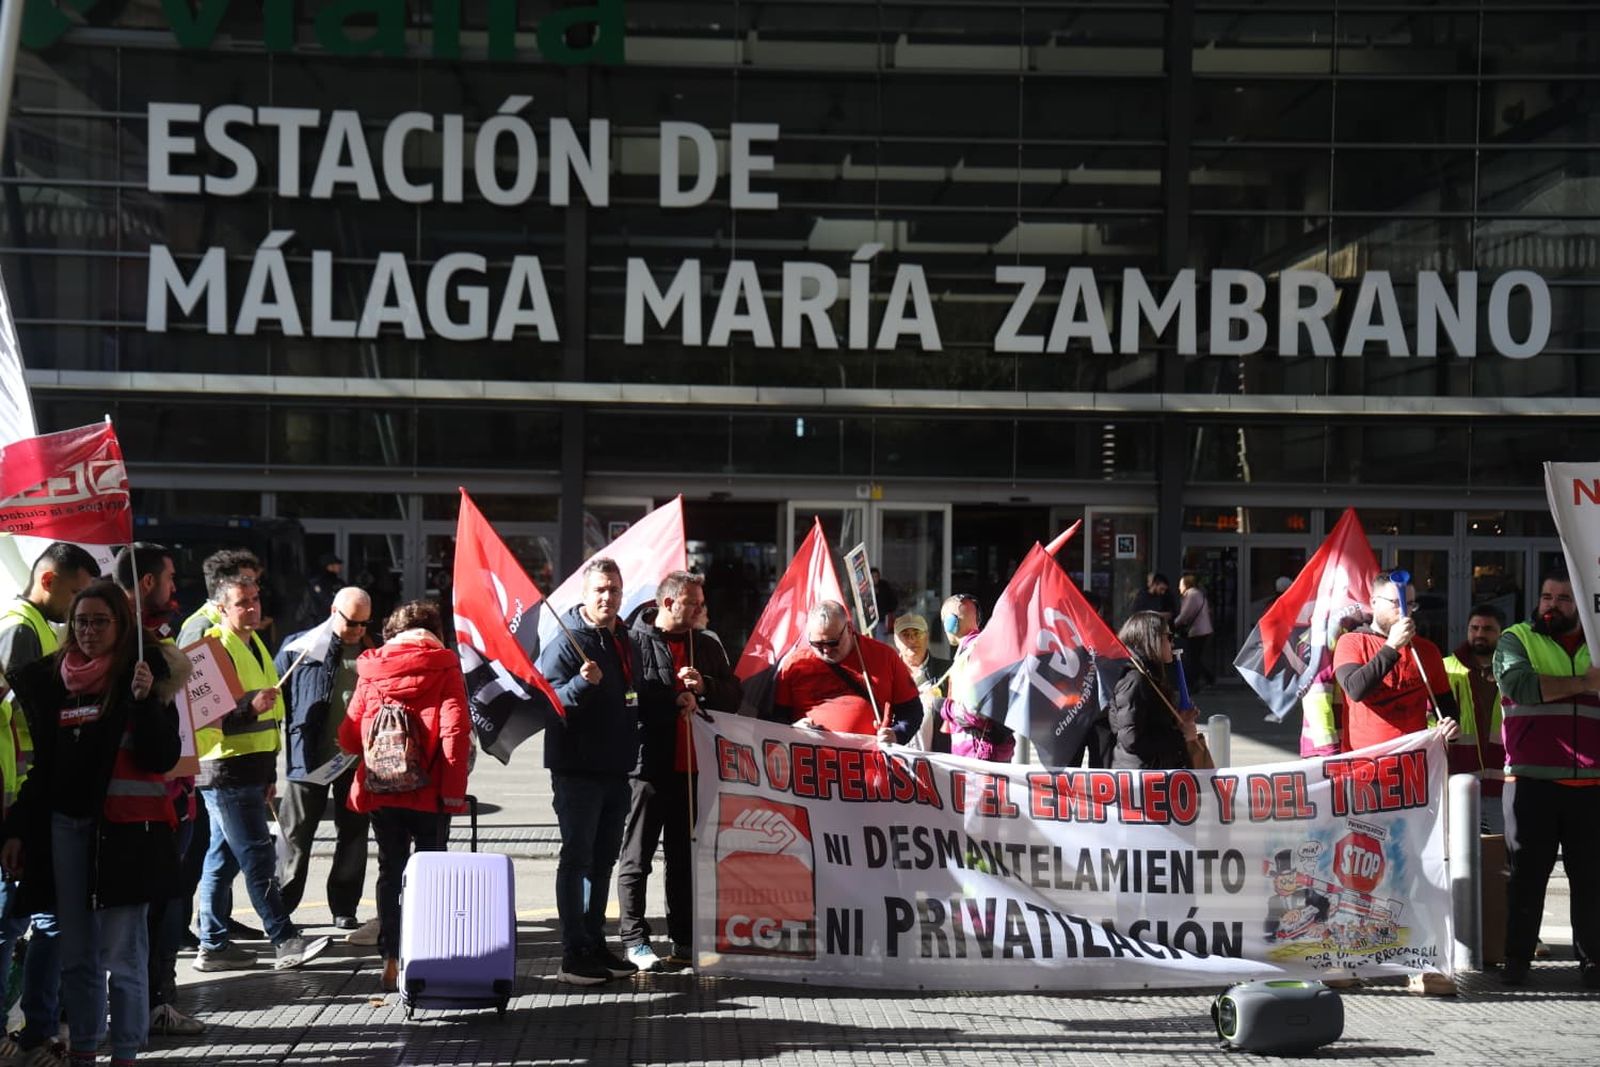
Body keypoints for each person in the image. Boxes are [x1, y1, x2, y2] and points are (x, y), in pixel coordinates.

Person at [1, 579, 185, 1067]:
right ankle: (83, 1050)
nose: (87, 631)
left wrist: (145, 702)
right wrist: (18, 829)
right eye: (80, 621)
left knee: (122, 958)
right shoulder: (53, 682)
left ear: (121, 627)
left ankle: (124, 1053)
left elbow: (162, 756)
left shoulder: (144, 675)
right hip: (66, 831)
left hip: (127, 835)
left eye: (99, 621)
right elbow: (44, 767)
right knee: (78, 957)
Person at [193, 574, 329, 972]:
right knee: (256, 857)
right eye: (242, 602)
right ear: (221, 608)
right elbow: (206, 714)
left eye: (255, 599)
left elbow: (268, 719)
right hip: (225, 770)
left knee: (223, 859)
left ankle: (213, 945)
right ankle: (284, 939)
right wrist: (247, 708)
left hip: (248, 770)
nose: (252, 608)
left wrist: (270, 772)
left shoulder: (255, 646)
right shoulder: (215, 648)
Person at [336, 599, 471, 994]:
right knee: (430, 877)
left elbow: (348, 734)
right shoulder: (444, 667)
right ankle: (425, 956)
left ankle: (390, 957)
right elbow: (455, 735)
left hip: (383, 791)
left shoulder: (373, 668)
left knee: (390, 872)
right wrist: (452, 795)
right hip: (429, 796)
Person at [0, 542, 98, 1066]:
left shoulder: (37, 627)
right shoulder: (21, 627)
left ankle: (37, 1027)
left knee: (40, 920)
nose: (79, 608)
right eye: (77, 591)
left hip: (29, 791)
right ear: (49, 579)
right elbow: (22, 717)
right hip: (19, 796)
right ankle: (24, 1029)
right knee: (14, 921)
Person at [617, 572, 740, 973]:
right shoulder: (633, 642)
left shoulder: (704, 644)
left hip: (693, 766)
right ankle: (635, 939)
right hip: (648, 765)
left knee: (684, 857)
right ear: (668, 604)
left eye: (700, 602)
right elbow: (628, 697)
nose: (700, 610)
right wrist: (674, 697)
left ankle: (684, 939)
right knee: (637, 856)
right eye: (693, 603)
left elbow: (733, 695)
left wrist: (703, 685)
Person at [112, 544, 207, 1039]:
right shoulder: (132, 644)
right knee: (147, 915)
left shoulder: (162, 633)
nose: (175, 587)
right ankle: (144, 1010)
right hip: (148, 802)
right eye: (169, 578)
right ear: (146, 582)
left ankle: (158, 1002)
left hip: (178, 796)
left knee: (168, 908)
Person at [534, 558, 642, 986]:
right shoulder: (565, 642)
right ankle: (573, 949)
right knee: (577, 859)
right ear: (584, 594)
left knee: (602, 861)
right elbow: (549, 704)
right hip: (577, 770)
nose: (607, 597)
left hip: (616, 769)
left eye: (614, 590)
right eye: (600, 590)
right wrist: (581, 684)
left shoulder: (623, 639)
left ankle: (595, 941)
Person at [1492, 566, 1600, 988]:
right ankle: (1516, 961)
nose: (1552, 606)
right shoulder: (1516, 638)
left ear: (1580, 605)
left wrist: (1565, 685)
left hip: (1592, 784)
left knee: (1591, 882)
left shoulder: (1595, 641)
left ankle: (1592, 963)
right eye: (1547, 597)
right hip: (1531, 782)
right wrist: (1584, 683)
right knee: (1527, 879)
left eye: (1563, 599)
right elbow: (1520, 685)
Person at [275, 587, 377, 943]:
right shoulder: (301, 646)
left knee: (353, 836)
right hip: (309, 760)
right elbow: (275, 698)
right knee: (295, 836)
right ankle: (281, 910)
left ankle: (344, 908)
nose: (357, 630)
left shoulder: (371, 649)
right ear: (335, 611)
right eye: (352, 622)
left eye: (364, 624)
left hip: (355, 760)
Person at [1333, 574, 1458, 752]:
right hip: (1366, 763)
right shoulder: (1352, 641)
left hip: (1413, 762)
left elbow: (1446, 706)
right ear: (1374, 603)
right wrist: (1392, 646)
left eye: (1410, 604)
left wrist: (1450, 729)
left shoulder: (1427, 650)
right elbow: (1355, 690)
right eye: (1396, 603)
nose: (1404, 611)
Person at [772, 601, 921, 745]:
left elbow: (911, 711)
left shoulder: (884, 657)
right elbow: (775, 719)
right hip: (810, 763)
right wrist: (792, 730)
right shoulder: (795, 665)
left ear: (849, 629)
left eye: (833, 643)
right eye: (817, 644)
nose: (826, 650)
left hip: (867, 765)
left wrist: (897, 734)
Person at [1444, 604, 1507, 833]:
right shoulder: (1445, 669)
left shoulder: (1514, 671)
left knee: (1502, 856)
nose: (1480, 634)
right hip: (1458, 782)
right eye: (1475, 628)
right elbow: (1429, 720)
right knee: (1460, 856)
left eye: (1488, 628)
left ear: (1502, 633)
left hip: (1503, 784)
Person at [1108, 611, 1195, 770]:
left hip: (1151, 772)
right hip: (1142, 778)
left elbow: (1151, 723)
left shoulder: (1147, 675)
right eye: (1169, 637)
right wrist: (1181, 737)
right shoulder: (1135, 679)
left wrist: (1178, 720)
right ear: (1152, 639)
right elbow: (1131, 739)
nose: (1173, 644)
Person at [938, 594, 1014, 761]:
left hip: (978, 752)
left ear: (951, 622)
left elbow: (974, 712)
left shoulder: (971, 654)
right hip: (987, 750)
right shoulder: (981, 648)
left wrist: (943, 707)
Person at [892, 614, 949, 753]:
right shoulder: (887, 674)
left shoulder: (947, 672)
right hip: (897, 759)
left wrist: (937, 703)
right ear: (896, 640)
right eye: (905, 634)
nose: (912, 639)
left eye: (917, 633)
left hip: (936, 763)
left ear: (927, 636)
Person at [1173, 573, 1215, 691]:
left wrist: (1173, 624)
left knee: (1193, 658)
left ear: (1186, 584)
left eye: (1180, 585)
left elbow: (1185, 614)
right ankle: (1206, 678)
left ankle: (1196, 682)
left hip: (1198, 631)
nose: (1179, 587)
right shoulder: (1198, 593)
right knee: (1195, 657)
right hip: (1203, 630)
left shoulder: (1191, 595)